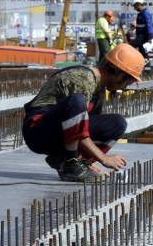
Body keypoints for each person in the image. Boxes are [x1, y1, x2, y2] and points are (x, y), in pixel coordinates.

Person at [22, 44, 144, 183]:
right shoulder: (82, 79)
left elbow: (83, 130)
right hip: (38, 131)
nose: (125, 88)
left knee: (117, 123)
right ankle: (72, 164)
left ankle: (73, 163)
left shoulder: (99, 91)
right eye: (128, 82)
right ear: (120, 74)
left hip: (60, 133)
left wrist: (91, 162)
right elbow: (79, 128)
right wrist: (103, 158)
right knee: (77, 101)